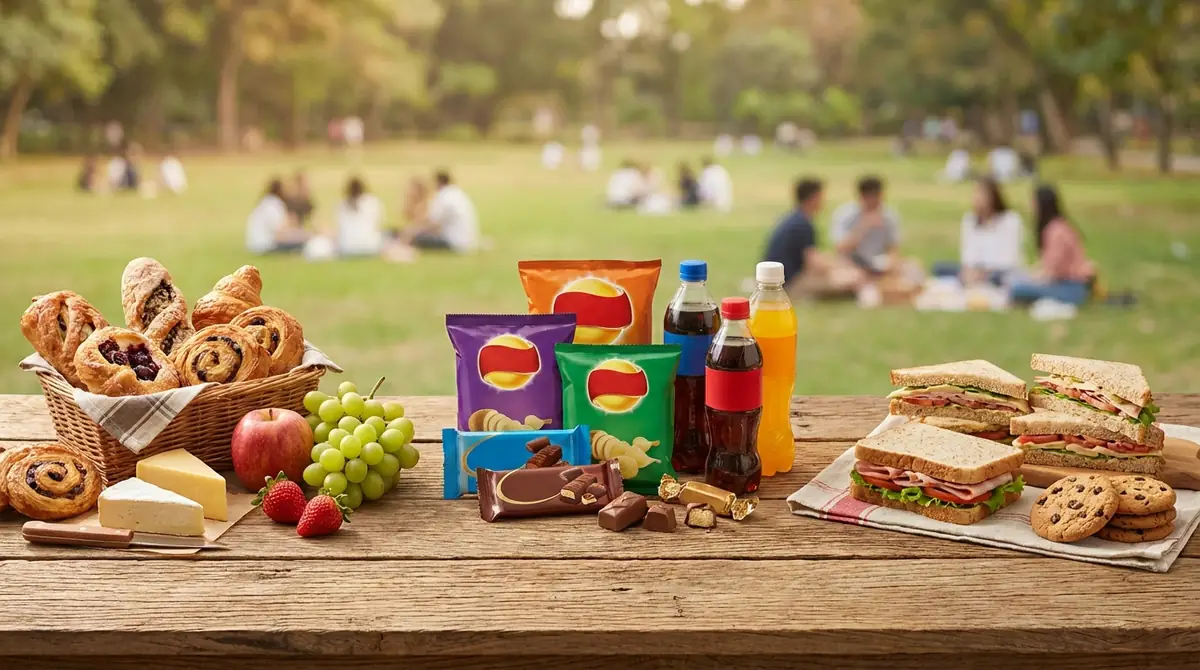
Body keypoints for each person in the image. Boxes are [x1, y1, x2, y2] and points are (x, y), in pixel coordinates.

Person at [762, 177, 864, 300]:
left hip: (779, 279)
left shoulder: (794, 219)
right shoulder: (802, 224)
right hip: (789, 284)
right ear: (813, 198)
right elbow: (814, 263)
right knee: (849, 280)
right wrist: (841, 267)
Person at [1010, 185, 1096, 306]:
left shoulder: (1056, 231)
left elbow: (1052, 272)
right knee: (1017, 282)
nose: (1030, 207)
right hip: (1069, 285)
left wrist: (1031, 278)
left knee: (1017, 288)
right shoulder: (1058, 226)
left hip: (1070, 288)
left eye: (1033, 202)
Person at [932, 177, 1023, 285]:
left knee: (1002, 277)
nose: (976, 198)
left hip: (1000, 271)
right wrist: (971, 270)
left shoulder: (1010, 220)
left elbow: (1009, 258)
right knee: (939, 267)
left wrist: (984, 272)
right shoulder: (969, 220)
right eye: (975, 193)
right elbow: (967, 255)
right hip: (975, 270)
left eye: (981, 193)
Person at [831, 176, 901, 274]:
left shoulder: (888, 216)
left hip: (879, 262)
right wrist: (864, 226)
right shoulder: (845, 215)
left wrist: (891, 262)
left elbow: (893, 248)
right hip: (852, 263)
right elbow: (840, 249)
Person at [246, 177, 309, 254]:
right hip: (265, 245)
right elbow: (279, 233)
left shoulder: (266, 202)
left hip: (256, 244)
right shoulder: (274, 205)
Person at [335, 176, 385, 257]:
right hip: (371, 247)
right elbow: (378, 225)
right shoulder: (373, 201)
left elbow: (339, 229)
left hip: (347, 248)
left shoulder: (342, 204)